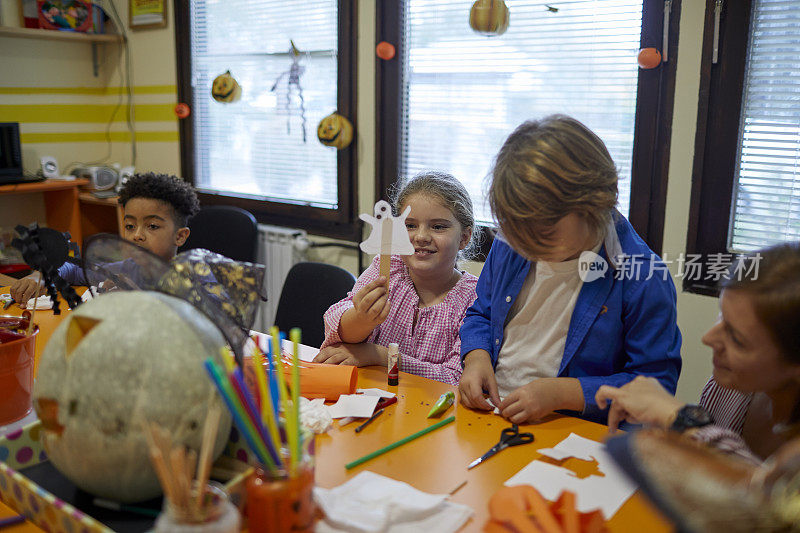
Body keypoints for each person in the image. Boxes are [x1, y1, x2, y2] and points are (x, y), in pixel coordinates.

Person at [459, 115, 682, 425]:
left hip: (569, 430)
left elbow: (655, 384)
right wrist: (476, 357)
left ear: (594, 203)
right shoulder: (516, 238)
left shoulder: (642, 276)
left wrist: (564, 393)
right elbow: (480, 313)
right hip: (491, 415)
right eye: (516, 231)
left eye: (545, 233)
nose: (528, 245)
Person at [596, 243, 800, 463]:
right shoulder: (731, 388)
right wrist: (662, 422)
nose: (708, 339)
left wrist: (679, 417)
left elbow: (767, 491)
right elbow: (707, 463)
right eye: (722, 316)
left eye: (737, 339)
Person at [314, 171, 478, 385]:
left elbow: (456, 377)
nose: (421, 237)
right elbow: (335, 326)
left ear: (464, 237)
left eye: (438, 227)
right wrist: (362, 319)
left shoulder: (474, 297)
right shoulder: (389, 267)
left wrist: (380, 356)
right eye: (410, 225)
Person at [9, 172, 200, 305]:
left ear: (180, 236)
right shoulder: (123, 270)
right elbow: (72, 270)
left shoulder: (197, 280)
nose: (137, 236)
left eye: (152, 226)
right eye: (130, 226)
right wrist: (39, 277)